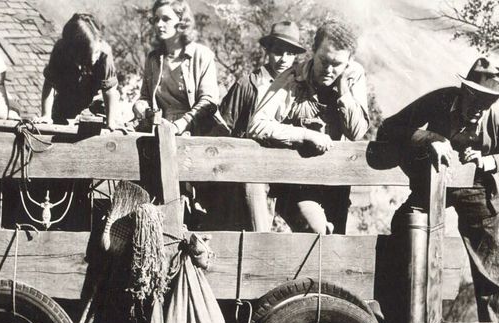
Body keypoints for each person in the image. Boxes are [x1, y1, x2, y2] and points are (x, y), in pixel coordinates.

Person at [378, 57, 499, 323]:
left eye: (487, 103)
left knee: (487, 266)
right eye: (476, 101)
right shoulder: (440, 100)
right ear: (464, 90)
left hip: (479, 187)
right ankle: (398, 320)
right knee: (405, 226)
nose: (479, 110)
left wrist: (487, 161)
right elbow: (390, 127)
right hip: (435, 181)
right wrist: (431, 138)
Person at [243, 19, 371, 234]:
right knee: (317, 234)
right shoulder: (292, 79)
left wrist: (344, 91)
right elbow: (257, 125)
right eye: (323, 61)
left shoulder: (353, 76)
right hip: (296, 184)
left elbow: (356, 132)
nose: (328, 69)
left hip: (336, 184)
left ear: (349, 62)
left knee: (333, 244)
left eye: (337, 64)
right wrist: (304, 134)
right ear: (313, 51)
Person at [217, 21, 306, 231]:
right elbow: (223, 128)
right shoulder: (247, 84)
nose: (283, 59)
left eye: (290, 53)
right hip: (250, 171)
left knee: (309, 226)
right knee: (258, 230)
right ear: (267, 51)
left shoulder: (298, 88)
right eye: (278, 52)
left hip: (285, 170)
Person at [133, 0, 220, 136]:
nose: (159, 24)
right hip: (161, 130)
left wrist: (178, 126)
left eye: (166, 19)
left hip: (199, 132)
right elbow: (146, 97)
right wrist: (140, 105)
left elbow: (208, 102)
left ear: (182, 22)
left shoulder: (202, 55)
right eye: (156, 19)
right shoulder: (153, 58)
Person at [36, 13, 119, 128]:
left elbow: (109, 90)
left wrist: (111, 122)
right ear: (75, 51)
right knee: (59, 125)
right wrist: (46, 115)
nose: (94, 58)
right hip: (67, 98)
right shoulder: (61, 50)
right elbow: (49, 83)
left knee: (100, 120)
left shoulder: (104, 53)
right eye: (89, 54)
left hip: (97, 102)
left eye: (96, 53)